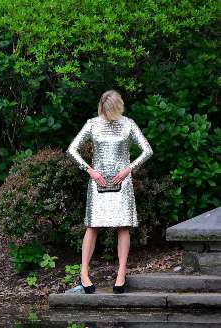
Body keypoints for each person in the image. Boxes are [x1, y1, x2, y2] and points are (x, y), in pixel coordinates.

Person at [65, 89, 153, 294]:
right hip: (98, 184)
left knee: (123, 226)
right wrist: (90, 171)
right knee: (93, 226)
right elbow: (72, 149)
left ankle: (121, 274)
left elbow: (147, 150)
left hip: (122, 183)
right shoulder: (92, 124)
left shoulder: (128, 123)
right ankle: (84, 274)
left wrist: (129, 169)